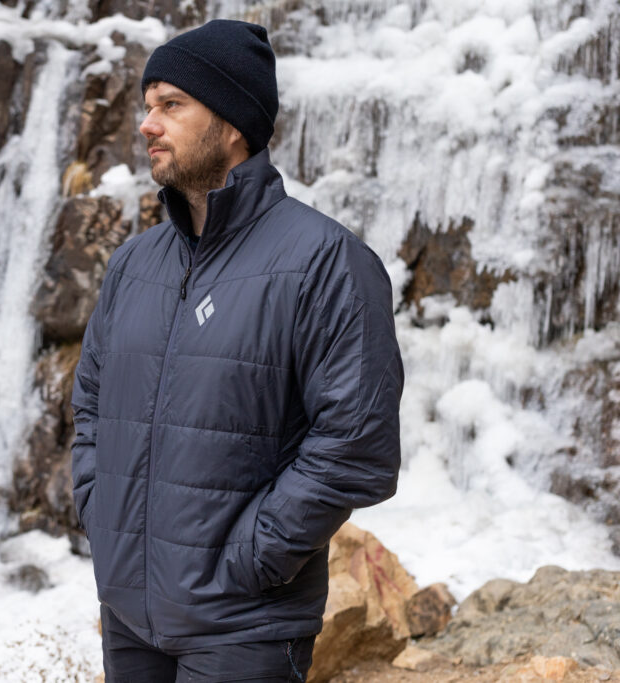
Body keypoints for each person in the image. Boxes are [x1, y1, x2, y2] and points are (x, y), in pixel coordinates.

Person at [70, 19, 403, 682]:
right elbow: (91, 406)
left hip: (242, 629)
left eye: (171, 105)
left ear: (233, 123)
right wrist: (97, 508)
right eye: (147, 106)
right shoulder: (135, 263)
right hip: (131, 618)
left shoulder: (325, 261)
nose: (147, 124)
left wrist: (253, 558)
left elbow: (359, 445)